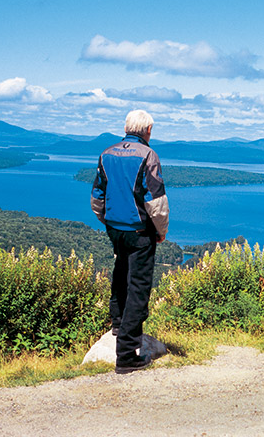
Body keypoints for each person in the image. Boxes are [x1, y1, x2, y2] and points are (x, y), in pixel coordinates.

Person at [90, 109, 169, 374]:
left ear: (126, 128)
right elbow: (155, 201)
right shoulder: (148, 155)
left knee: (120, 272)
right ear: (147, 130)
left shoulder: (107, 153)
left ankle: (118, 323)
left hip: (116, 228)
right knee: (139, 286)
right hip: (139, 231)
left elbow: (97, 194)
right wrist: (161, 231)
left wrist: (106, 220)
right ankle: (126, 354)